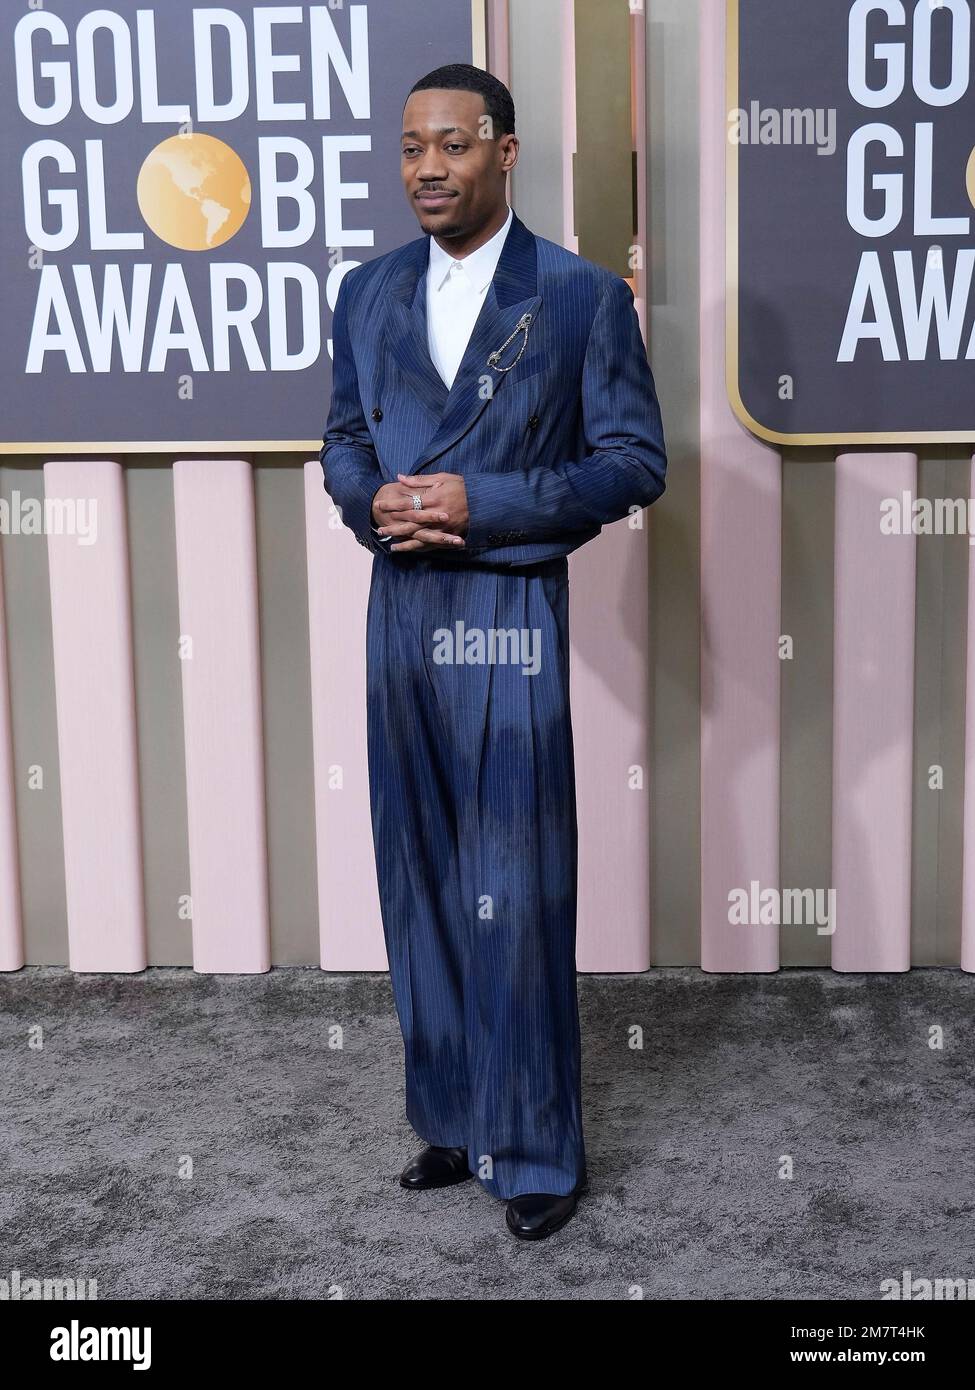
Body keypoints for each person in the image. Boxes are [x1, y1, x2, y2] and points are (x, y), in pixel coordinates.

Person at [320, 62, 667, 1240]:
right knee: (415, 871)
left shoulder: (576, 299)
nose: (427, 167)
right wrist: (371, 502)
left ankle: (530, 1145)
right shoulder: (365, 293)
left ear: (505, 152)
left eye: (453, 145)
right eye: (412, 146)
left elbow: (632, 462)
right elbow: (344, 435)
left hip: (509, 613)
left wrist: (483, 503)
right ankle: (454, 1112)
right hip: (400, 612)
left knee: (513, 885)